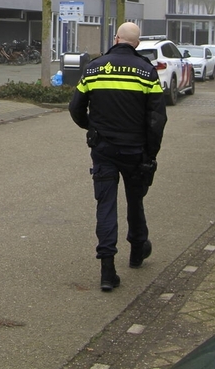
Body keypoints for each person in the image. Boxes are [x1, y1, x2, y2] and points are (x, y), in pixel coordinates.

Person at [69, 22, 167, 292]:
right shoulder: (147, 71)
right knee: (135, 201)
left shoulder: (94, 67)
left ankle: (107, 271)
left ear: (116, 38)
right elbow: (157, 119)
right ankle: (137, 251)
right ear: (136, 43)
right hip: (135, 150)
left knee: (106, 206)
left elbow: (75, 107)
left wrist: (92, 128)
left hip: (103, 149)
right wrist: (151, 153)